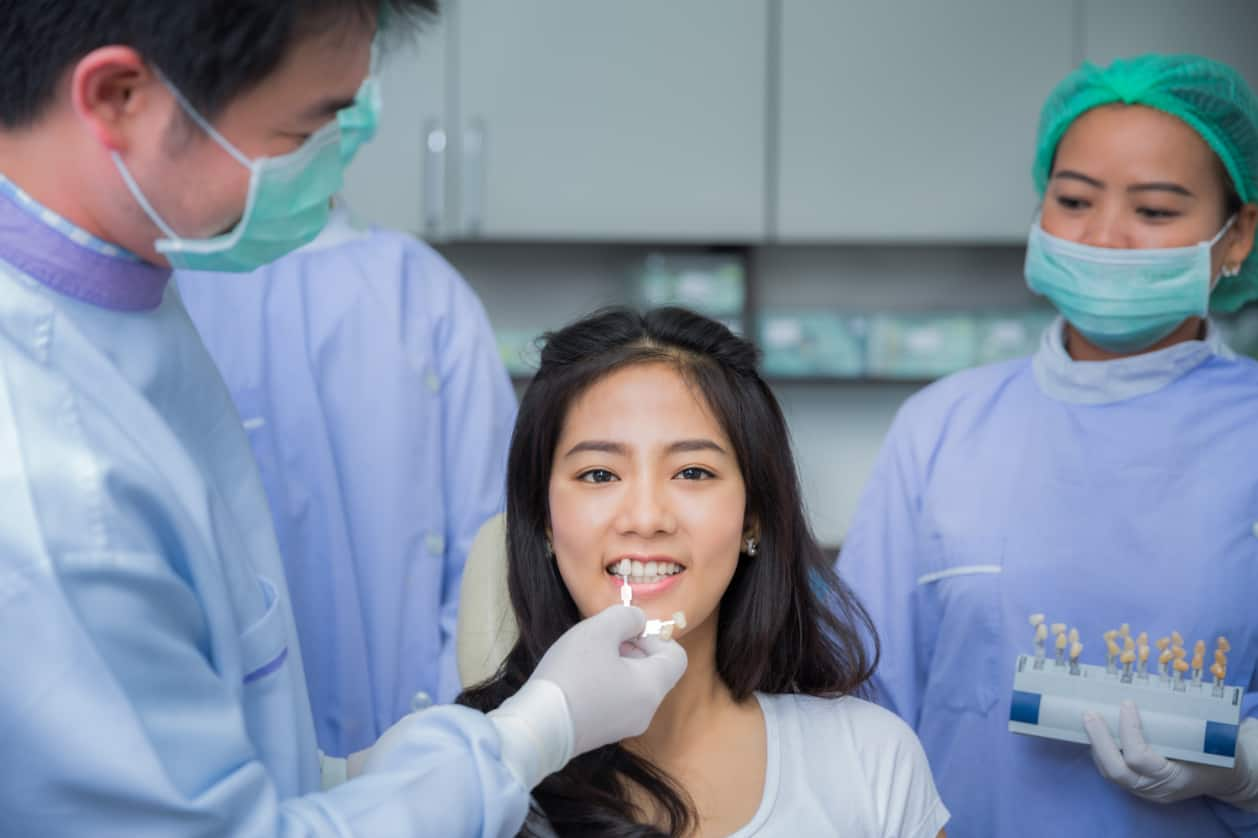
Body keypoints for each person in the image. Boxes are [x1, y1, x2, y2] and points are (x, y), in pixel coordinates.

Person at [0, 3, 685, 835]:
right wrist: (533, 732)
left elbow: (206, 756)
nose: (327, 170)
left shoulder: (131, 302)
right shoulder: (48, 472)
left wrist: (367, 773)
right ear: (118, 97)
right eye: (303, 132)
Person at [838, 54, 1258, 837]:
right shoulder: (942, 426)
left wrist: (1246, 771)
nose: (1103, 238)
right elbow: (863, 700)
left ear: (1239, 236)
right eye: (1073, 200)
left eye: (1157, 211)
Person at [459, 307, 950, 837]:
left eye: (693, 472)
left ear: (752, 518)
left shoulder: (871, 761)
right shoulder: (470, 775)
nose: (646, 519)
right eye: (599, 474)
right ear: (544, 520)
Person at [177, 194, 516, 757]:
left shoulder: (423, 290)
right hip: (226, 748)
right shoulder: (171, 290)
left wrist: (449, 742)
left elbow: (491, 545)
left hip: (425, 744)